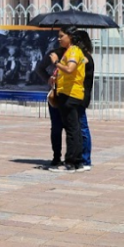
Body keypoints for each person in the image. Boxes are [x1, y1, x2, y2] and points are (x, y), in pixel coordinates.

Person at [47, 26, 89, 172]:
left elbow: (70, 69)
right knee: (75, 128)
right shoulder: (75, 52)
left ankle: (70, 163)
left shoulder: (73, 51)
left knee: (71, 129)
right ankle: (77, 162)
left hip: (70, 95)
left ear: (70, 36)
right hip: (72, 93)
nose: (59, 39)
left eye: (61, 36)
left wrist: (56, 62)